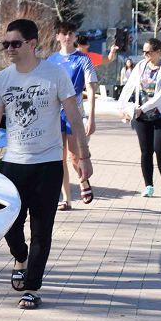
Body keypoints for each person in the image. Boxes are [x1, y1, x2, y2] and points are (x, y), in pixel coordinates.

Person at [0, 19, 93, 310]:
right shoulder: (2, 79)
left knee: (42, 230)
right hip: (13, 164)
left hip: (48, 164)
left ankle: (31, 287)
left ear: (32, 44)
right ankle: (20, 255)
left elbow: (74, 117)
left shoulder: (54, 74)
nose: (9, 49)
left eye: (15, 43)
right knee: (8, 225)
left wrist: (84, 157)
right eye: (6, 44)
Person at [118, 38, 161, 198]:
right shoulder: (140, 66)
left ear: (158, 52)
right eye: (143, 51)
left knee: (160, 149)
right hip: (141, 117)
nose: (145, 54)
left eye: (148, 52)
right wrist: (121, 106)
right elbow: (129, 86)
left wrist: (141, 109)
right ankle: (148, 186)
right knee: (146, 152)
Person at [47, 22, 97, 211]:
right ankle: (66, 198)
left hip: (74, 113)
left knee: (75, 157)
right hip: (54, 114)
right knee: (58, 158)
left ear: (75, 37)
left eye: (70, 34)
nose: (67, 37)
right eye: (63, 34)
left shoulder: (84, 60)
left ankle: (83, 180)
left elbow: (91, 89)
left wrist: (91, 118)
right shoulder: (51, 61)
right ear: (57, 37)